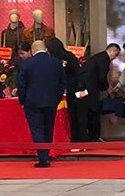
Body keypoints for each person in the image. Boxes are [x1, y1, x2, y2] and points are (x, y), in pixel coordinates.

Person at [16, 40, 66, 168]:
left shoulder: (26, 64)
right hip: (51, 101)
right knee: (48, 128)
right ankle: (46, 154)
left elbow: (22, 85)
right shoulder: (56, 63)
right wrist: (57, 98)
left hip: (32, 102)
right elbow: (62, 83)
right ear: (46, 49)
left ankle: (43, 158)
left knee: (37, 130)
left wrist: (22, 100)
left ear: (32, 51)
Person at [46, 38, 84, 142]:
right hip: (58, 91)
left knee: (73, 115)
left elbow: (77, 72)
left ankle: (76, 139)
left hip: (71, 89)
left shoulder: (69, 56)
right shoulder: (51, 59)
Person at [83, 42, 121, 140]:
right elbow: (102, 77)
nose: (115, 58)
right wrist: (107, 89)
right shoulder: (104, 60)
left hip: (85, 89)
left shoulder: (96, 58)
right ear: (111, 51)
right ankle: (95, 137)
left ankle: (90, 136)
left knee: (89, 113)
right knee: (95, 113)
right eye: (116, 55)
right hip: (92, 89)